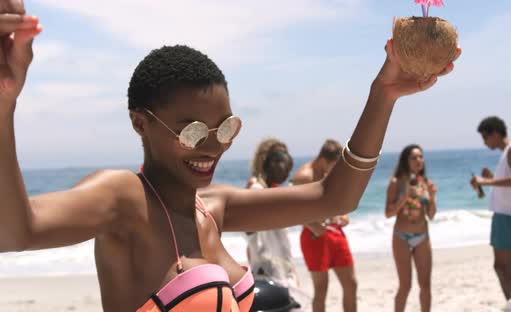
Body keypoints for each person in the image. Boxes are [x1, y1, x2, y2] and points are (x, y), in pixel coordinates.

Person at [0, 2, 459, 311]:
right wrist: (4, 102)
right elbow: (15, 230)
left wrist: (383, 94)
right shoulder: (125, 200)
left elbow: (334, 197)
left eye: (226, 127)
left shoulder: (212, 207)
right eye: (194, 130)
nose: (213, 146)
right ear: (140, 123)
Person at [471, 116, 511, 300]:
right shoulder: (507, 153)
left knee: (504, 267)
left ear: (495, 133)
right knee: (501, 267)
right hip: (505, 216)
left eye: (485, 138)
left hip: (510, 217)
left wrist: (486, 181)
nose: (484, 143)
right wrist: (492, 177)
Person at [292, 140, 357, 312]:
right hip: (314, 236)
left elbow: (332, 201)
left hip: (334, 232)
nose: (336, 169)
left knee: (351, 284)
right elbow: (292, 210)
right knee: (321, 290)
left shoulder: (328, 171)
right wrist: (313, 226)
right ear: (323, 160)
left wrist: (342, 215)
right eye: (335, 164)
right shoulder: (304, 177)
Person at [385, 144, 437, 312]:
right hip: (401, 236)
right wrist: (404, 197)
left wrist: (433, 197)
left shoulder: (426, 183)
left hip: (422, 236)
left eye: (421, 157)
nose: (418, 160)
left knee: (426, 286)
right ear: (405, 161)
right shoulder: (396, 183)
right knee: (405, 286)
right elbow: (388, 213)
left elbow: (431, 215)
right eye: (414, 157)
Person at [245, 139, 299, 289]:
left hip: (281, 273)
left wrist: (291, 272)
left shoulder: (270, 190)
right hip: (268, 274)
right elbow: (251, 234)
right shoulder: (256, 189)